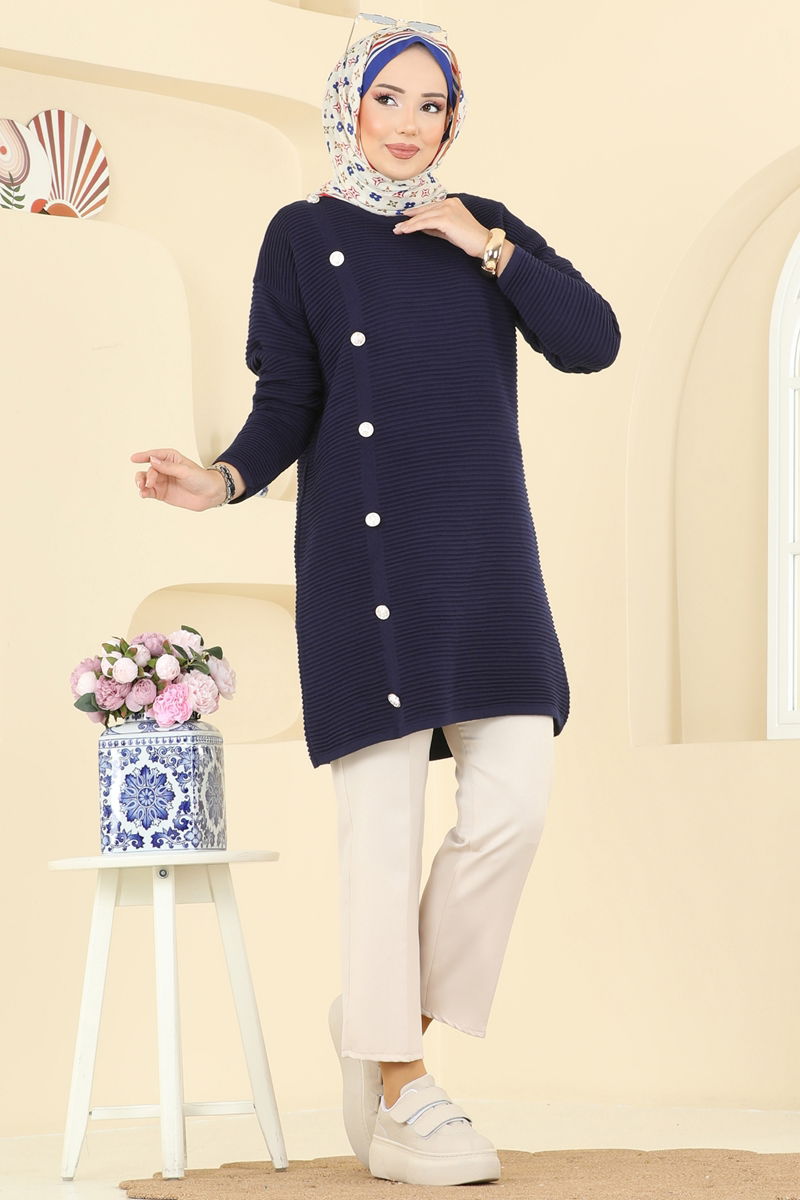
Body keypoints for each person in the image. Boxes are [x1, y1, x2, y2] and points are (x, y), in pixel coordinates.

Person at [131, 14, 620, 1187]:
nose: (406, 124)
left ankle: (379, 1018)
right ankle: (401, 1088)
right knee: (382, 832)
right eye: (386, 99)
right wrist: (224, 479)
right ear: (349, 104)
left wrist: (485, 245)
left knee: (511, 807)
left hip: (487, 565)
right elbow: (287, 398)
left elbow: (591, 341)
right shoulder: (302, 235)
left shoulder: (483, 227)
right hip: (371, 568)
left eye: (429, 105)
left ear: (452, 121)